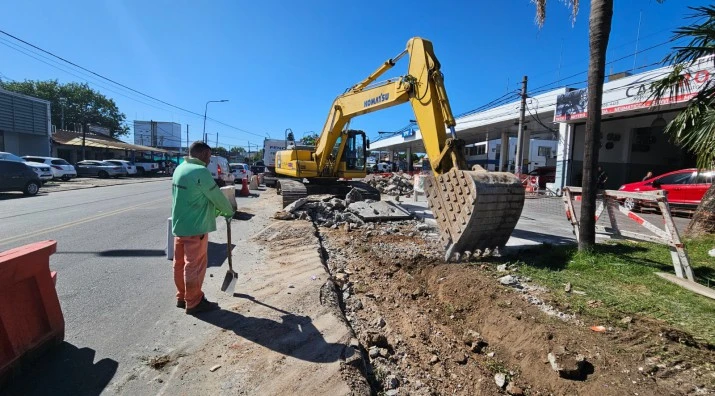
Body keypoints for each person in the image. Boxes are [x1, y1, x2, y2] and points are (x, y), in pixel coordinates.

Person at [171, 141, 235, 315]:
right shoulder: (201, 172)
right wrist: (229, 211)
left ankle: (182, 297)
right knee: (195, 265)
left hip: (179, 225)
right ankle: (194, 303)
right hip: (196, 227)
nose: (209, 160)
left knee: (179, 264)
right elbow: (217, 197)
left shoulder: (180, 168)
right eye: (208, 156)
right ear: (204, 155)